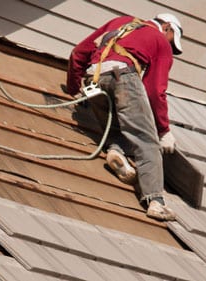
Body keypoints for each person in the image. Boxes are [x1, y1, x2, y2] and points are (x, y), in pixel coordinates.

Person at [66, 13, 183, 221]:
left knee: (115, 125)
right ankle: (156, 201)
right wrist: (164, 130)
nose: (170, 49)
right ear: (166, 27)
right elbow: (154, 91)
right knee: (146, 140)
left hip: (92, 78)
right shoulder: (160, 42)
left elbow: (79, 51)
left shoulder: (121, 22)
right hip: (124, 76)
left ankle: (116, 149)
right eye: (172, 42)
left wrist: (74, 88)